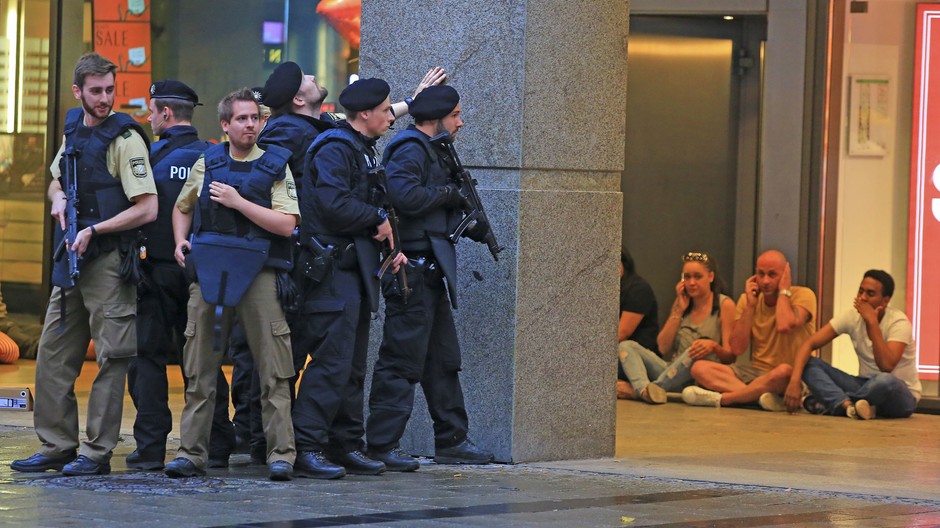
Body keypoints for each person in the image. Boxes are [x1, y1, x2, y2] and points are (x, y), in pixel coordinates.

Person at [10, 52, 158, 476]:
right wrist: (57, 199)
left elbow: (147, 208)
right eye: (96, 91)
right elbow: (58, 177)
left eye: (110, 90)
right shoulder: (73, 125)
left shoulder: (126, 138)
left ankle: (95, 453)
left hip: (108, 261)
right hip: (72, 259)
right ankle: (56, 444)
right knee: (53, 355)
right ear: (78, 91)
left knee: (112, 357)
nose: (105, 99)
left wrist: (98, 229)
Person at [164, 87, 297, 481]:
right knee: (200, 367)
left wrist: (239, 202)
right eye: (242, 119)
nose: (250, 125)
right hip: (210, 270)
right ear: (225, 125)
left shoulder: (276, 165)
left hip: (259, 273)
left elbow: (287, 225)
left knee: (274, 371)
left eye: (255, 118)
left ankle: (281, 455)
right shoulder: (208, 161)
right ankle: (191, 454)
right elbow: (182, 206)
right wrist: (179, 241)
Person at [365, 85, 495, 471]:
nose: (460, 122)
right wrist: (449, 194)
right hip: (411, 269)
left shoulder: (434, 151)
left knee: (442, 360)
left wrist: (466, 219)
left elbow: (430, 207)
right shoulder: (409, 148)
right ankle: (382, 443)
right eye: (455, 115)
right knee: (401, 360)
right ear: (435, 118)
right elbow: (405, 198)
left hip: (431, 269)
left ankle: (451, 439)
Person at [290, 78, 407, 479]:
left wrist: (391, 242)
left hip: (355, 271)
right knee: (332, 363)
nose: (391, 117)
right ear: (365, 114)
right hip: (332, 273)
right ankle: (308, 446)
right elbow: (333, 203)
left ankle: (345, 444)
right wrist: (375, 220)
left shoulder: (360, 149)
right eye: (387, 110)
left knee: (353, 365)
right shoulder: (336, 148)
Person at [125, 80, 235, 471]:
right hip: (199, 273)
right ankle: (218, 441)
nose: (149, 118)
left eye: (152, 111)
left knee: (147, 360)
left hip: (153, 272)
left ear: (166, 114)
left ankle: (151, 446)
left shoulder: (148, 157)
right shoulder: (214, 155)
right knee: (201, 362)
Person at [682, 250, 817, 409]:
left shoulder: (804, 295)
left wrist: (783, 291)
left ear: (785, 275)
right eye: (761, 274)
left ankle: (726, 399)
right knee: (699, 368)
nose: (765, 281)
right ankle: (757, 398)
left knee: (783, 371)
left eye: (772, 275)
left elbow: (784, 325)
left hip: (790, 376)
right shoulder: (747, 300)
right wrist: (750, 306)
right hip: (754, 373)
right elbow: (737, 348)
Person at [784, 270, 920, 419]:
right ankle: (850, 407)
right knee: (808, 363)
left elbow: (886, 366)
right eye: (860, 291)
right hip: (863, 385)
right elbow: (808, 344)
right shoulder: (851, 316)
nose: (862, 298)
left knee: (885, 380)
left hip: (900, 395)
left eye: (870, 294)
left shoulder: (898, 322)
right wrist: (794, 381)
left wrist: (872, 323)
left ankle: (832, 401)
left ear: (885, 301)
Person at [618, 251, 736, 404]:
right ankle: (645, 390)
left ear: (711, 277)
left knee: (694, 349)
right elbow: (662, 346)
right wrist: (679, 310)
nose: (691, 282)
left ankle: (647, 390)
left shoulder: (725, 305)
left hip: (700, 373)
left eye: (697, 277)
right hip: (672, 371)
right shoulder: (682, 304)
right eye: (687, 277)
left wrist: (713, 346)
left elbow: (730, 356)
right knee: (627, 345)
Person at [615, 249, 660, 399]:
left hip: (637, 358)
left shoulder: (638, 289)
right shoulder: (610, 291)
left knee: (625, 346)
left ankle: (641, 390)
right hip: (617, 358)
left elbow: (621, 333)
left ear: (623, 264)